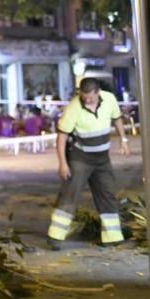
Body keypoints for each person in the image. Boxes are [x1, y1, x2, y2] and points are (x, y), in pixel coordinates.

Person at [47, 78, 129, 249]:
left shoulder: (110, 99)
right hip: (80, 158)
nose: (87, 100)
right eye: (84, 97)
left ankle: (112, 237)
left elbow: (117, 118)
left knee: (107, 194)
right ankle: (55, 237)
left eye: (90, 97)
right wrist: (63, 163)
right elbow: (61, 137)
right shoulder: (73, 107)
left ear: (98, 93)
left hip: (102, 159)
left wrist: (124, 139)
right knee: (70, 195)